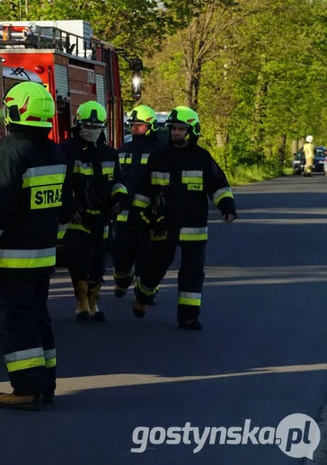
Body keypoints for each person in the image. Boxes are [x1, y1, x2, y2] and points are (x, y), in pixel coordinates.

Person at [0, 81, 73, 411]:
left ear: (14, 112)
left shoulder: (12, 150)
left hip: (12, 261)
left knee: (15, 322)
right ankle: (45, 384)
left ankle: (26, 390)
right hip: (42, 257)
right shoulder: (55, 151)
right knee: (38, 319)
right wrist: (55, 242)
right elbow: (64, 207)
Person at [130, 106, 237, 330]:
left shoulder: (202, 158)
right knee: (156, 265)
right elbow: (144, 188)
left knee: (193, 271)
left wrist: (227, 206)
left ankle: (189, 316)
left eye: (181, 129)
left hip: (193, 225)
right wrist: (138, 216)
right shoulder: (159, 157)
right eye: (173, 129)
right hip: (163, 224)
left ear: (192, 131)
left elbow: (218, 185)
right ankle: (143, 293)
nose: (176, 133)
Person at [58, 101, 128, 322]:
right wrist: (69, 208)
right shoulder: (66, 151)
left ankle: (94, 302)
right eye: (87, 125)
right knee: (78, 259)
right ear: (78, 124)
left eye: (96, 127)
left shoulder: (109, 154)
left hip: (103, 216)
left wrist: (120, 198)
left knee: (98, 260)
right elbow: (62, 184)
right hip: (77, 216)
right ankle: (81, 304)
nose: (91, 130)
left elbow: (118, 181)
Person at [112, 105, 164, 300]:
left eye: (139, 125)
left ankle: (145, 291)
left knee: (148, 254)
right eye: (132, 124)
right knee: (121, 253)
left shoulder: (159, 152)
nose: (134, 128)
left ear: (150, 127)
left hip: (149, 215)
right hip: (125, 214)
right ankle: (122, 280)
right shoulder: (123, 149)